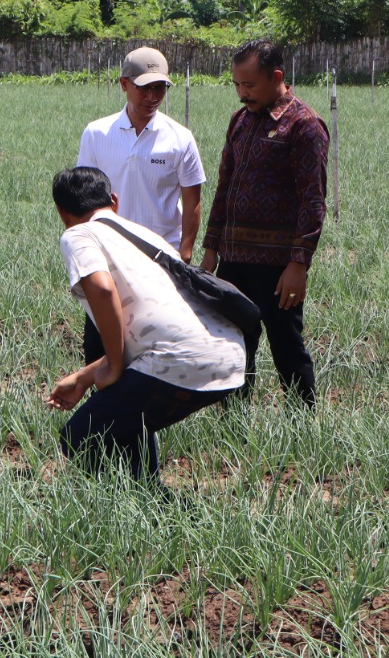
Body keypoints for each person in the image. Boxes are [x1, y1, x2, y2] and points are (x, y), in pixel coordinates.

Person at [45, 166, 245, 481]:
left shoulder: (78, 233)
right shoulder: (146, 237)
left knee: (80, 437)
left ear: (62, 213)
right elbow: (152, 331)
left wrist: (111, 366)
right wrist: (84, 377)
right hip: (229, 357)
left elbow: (101, 287)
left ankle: (118, 516)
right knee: (127, 420)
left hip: (178, 360)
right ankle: (148, 497)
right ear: (114, 200)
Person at [200, 40, 329, 407]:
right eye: (237, 85)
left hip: (278, 267)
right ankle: (233, 425)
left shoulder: (305, 126)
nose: (242, 93)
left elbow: (312, 200)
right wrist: (211, 251)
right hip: (234, 261)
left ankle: (302, 423)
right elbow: (224, 188)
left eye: (250, 85)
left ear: (277, 77)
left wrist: (298, 265)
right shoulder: (240, 122)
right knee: (234, 344)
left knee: (287, 344)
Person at [76, 46, 206, 364]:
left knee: (157, 347)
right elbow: (84, 197)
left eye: (159, 88)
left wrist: (185, 253)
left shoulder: (180, 138)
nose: (152, 96)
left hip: (161, 260)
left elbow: (193, 200)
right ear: (124, 84)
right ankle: (102, 413)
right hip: (108, 258)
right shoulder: (97, 134)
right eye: (144, 88)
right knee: (99, 346)